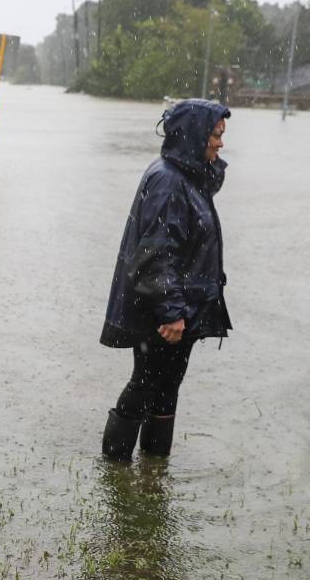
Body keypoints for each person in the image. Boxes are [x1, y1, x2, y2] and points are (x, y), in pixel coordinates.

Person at [99, 98, 233, 461]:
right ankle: (115, 469)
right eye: (215, 135)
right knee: (146, 383)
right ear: (194, 135)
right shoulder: (168, 181)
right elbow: (158, 254)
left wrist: (181, 310)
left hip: (179, 304)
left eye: (222, 135)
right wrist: (171, 312)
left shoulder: (187, 174)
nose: (221, 143)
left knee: (167, 385)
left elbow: (210, 182)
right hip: (160, 309)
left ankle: (154, 470)